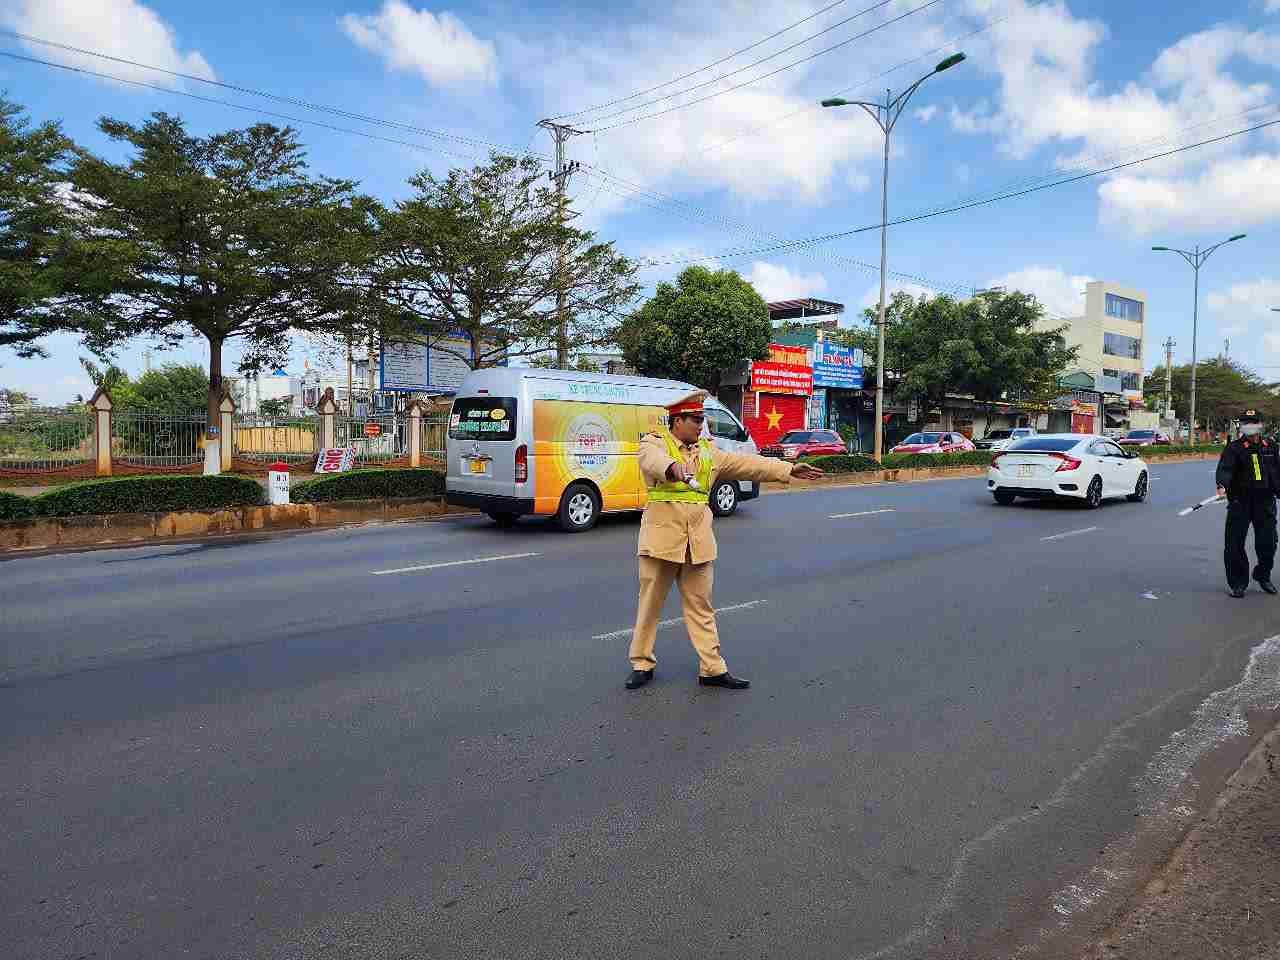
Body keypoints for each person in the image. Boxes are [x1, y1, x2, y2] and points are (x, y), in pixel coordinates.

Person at [625, 390, 824, 690]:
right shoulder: (654, 443)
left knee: (701, 607)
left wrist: (789, 469)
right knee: (650, 604)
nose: (700, 425)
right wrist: (674, 468)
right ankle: (641, 663)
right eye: (695, 419)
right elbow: (652, 461)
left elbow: (748, 464)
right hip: (662, 539)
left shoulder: (708, 451)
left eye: (702, 419)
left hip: (698, 542)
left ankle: (712, 668)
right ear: (677, 421)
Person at [1215, 408, 1280, 598]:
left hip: (1265, 502)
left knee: (1269, 543)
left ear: (1261, 425)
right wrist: (1222, 485)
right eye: (1246, 423)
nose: (1249, 427)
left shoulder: (1271, 446)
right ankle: (1238, 583)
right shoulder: (1234, 448)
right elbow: (1225, 469)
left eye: (1253, 423)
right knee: (1234, 544)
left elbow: (1277, 472)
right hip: (1240, 502)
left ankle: (1262, 574)